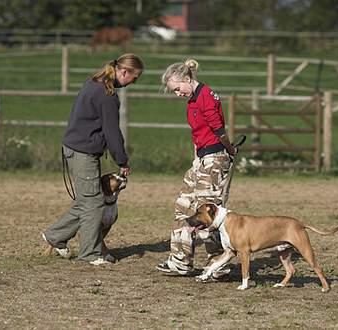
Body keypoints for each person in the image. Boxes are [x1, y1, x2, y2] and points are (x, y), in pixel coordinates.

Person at [42, 53, 144, 266]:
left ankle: (55, 235)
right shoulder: (106, 94)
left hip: (77, 148)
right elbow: (112, 132)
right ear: (124, 72)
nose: (133, 82)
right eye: (134, 78)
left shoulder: (95, 82)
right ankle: (89, 253)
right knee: (94, 203)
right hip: (82, 151)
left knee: (89, 199)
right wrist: (122, 160)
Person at [156, 59, 237, 277]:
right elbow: (196, 134)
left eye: (177, 89)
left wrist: (230, 150)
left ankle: (219, 264)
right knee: (182, 206)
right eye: (174, 91)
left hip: (214, 156)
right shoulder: (192, 100)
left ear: (187, 79)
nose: (177, 94)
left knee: (208, 211)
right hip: (201, 159)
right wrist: (195, 160)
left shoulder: (206, 96)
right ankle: (180, 261)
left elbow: (218, 129)